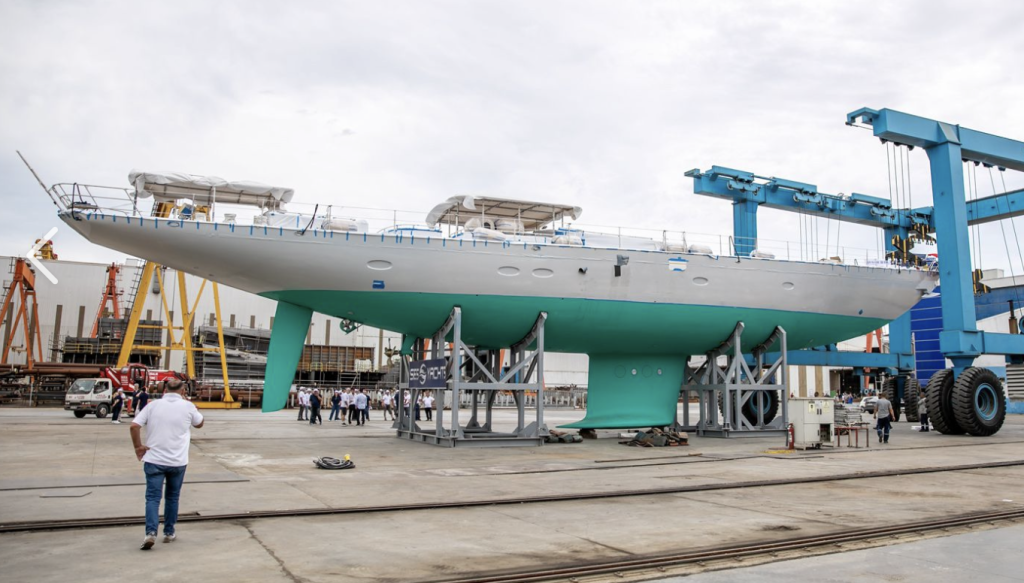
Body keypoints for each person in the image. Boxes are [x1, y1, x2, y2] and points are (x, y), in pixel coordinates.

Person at [130, 378, 204, 550]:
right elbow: (199, 424)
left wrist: (138, 447)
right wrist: (191, 406)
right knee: (172, 497)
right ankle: (169, 532)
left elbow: (134, 426)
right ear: (183, 391)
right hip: (177, 462)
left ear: (164, 390)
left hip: (154, 460)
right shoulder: (188, 406)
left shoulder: (152, 406)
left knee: (153, 498)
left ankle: (150, 533)